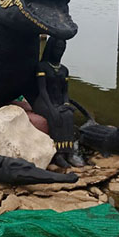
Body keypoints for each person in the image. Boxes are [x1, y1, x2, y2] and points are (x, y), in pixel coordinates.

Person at [31, 36, 87, 168]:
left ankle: (69, 153)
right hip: (44, 102)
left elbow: (65, 92)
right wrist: (51, 109)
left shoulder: (64, 70)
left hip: (59, 101)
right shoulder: (42, 66)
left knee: (68, 114)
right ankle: (58, 154)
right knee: (56, 116)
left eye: (62, 49)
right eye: (57, 48)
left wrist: (66, 104)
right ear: (51, 48)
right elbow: (43, 90)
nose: (59, 52)